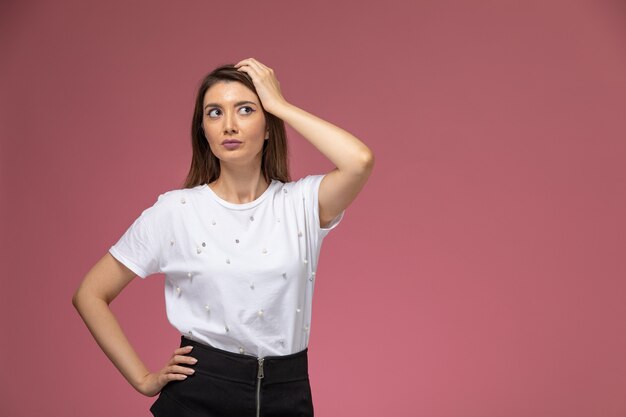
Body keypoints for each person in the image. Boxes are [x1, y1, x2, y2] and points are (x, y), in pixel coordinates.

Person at [72, 57, 374, 416]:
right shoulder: (176, 211)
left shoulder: (302, 204)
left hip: (288, 396)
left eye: (245, 110)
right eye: (214, 113)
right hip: (199, 395)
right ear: (203, 130)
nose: (229, 125)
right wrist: (142, 378)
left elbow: (359, 160)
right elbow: (89, 294)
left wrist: (280, 104)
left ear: (267, 128)